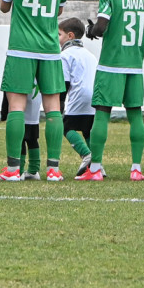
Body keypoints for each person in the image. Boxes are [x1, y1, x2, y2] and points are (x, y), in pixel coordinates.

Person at [0, 0, 68, 182]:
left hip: (21, 47)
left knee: (16, 106)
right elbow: (58, 11)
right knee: (53, 108)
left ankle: (13, 169)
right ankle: (54, 169)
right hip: (49, 48)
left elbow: (4, 7)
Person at [84, 0, 144, 181]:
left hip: (111, 64)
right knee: (135, 115)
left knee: (102, 113)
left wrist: (91, 31)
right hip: (135, 65)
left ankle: (94, 169)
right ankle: (136, 169)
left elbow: (101, 27)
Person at [58, 18, 97, 177]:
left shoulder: (65, 55)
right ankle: (96, 164)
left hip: (79, 96)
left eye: (59, 35)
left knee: (66, 126)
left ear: (70, 36)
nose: (57, 39)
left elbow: (65, 82)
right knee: (88, 129)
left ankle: (86, 155)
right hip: (94, 96)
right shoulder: (90, 55)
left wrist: (60, 102)